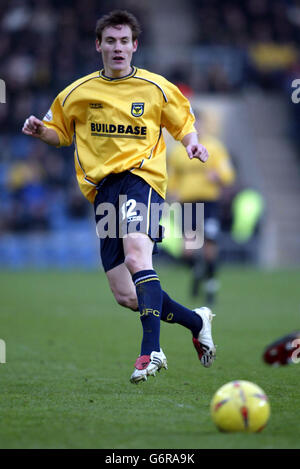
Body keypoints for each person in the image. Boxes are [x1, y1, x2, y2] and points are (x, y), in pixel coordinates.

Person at [22, 10, 216, 384]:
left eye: (124, 41)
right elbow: (58, 132)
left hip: (141, 179)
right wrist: (38, 130)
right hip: (103, 191)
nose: (117, 48)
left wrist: (193, 145)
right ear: (99, 45)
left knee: (135, 255)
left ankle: (151, 351)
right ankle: (197, 320)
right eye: (110, 41)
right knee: (126, 295)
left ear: (135, 46)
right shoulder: (77, 92)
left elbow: (184, 124)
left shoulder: (156, 88)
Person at [167, 110, 236, 305]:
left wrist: (219, 177)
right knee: (187, 250)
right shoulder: (177, 152)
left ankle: (211, 285)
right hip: (187, 203)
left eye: (199, 124)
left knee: (209, 244)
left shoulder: (215, 147)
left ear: (204, 125)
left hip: (209, 203)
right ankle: (197, 270)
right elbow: (172, 177)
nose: (196, 127)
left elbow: (228, 173)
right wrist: (172, 192)